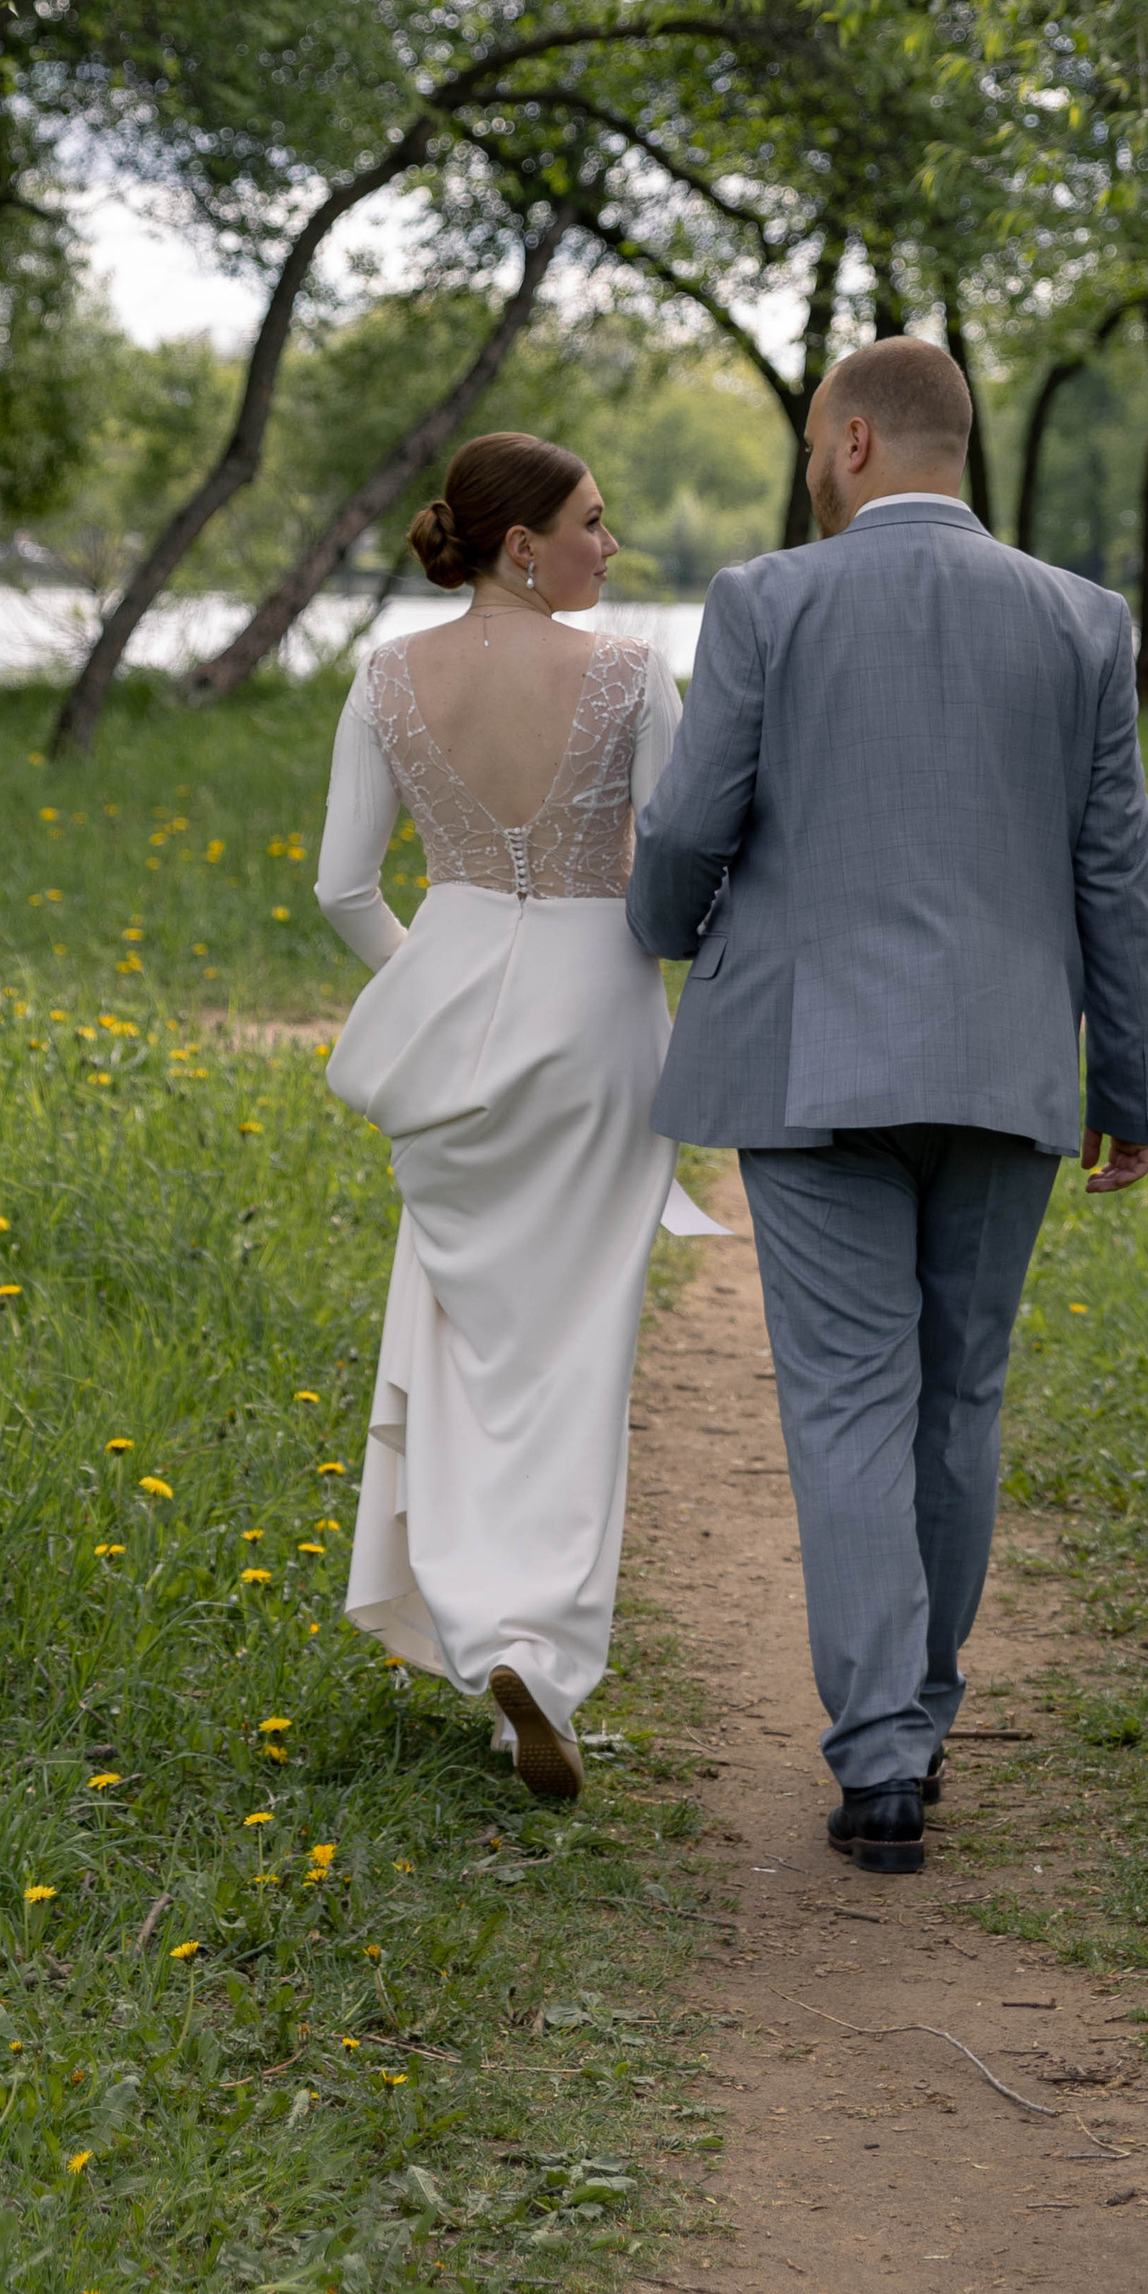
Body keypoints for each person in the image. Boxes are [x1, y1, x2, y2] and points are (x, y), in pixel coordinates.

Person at [626, 335, 1148, 1875]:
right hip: (1004, 1070)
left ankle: (880, 1765)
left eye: (815, 441)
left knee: (849, 1399)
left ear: (854, 443)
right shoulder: (1083, 620)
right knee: (960, 1396)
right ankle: (920, 1718)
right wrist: (1124, 1083)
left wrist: (672, 930)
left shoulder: (766, 600)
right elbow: (1111, 875)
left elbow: (687, 830)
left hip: (808, 1060)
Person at [314, 431, 694, 1805]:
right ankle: (541, 1656)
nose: (611, 543)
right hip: (596, 1019)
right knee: (577, 1345)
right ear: (522, 547)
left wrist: (441, 977)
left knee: (467, 1328)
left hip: (451, 1013)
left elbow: (342, 889)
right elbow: (689, 872)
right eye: (593, 522)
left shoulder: (385, 682)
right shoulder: (635, 677)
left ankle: (484, 1633)